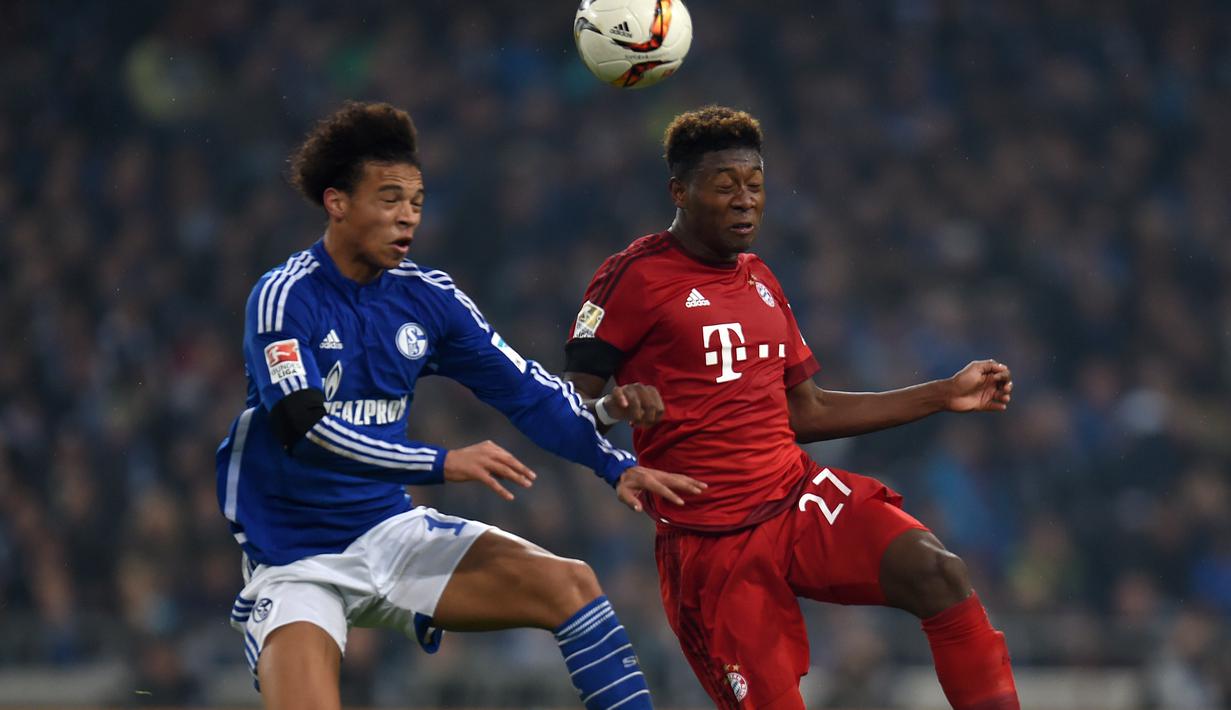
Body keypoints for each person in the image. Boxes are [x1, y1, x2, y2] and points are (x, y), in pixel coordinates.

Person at [216, 100, 704, 710]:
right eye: (389, 199)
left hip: (387, 532)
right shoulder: (283, 297)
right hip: (292, 558)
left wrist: (614, 460)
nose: (407, 218)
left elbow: (527, 393)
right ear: (337, 202)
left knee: (571, 584)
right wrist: (440, 462)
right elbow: (303, 429)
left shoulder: (429, 299)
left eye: (416, 203)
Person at [563, 105, 1020, 710]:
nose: (745, 200)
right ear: (679, 191)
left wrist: (943, 393)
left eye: (754, 185)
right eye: (725, 186)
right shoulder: (632, 278)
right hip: (711, 543)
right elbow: (569, 402)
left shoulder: (760, 279)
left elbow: (807, 412)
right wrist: (614, 410)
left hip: (796, 498)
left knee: (938, 572)